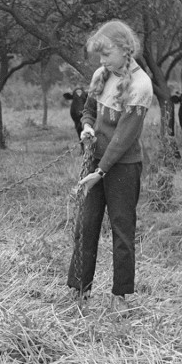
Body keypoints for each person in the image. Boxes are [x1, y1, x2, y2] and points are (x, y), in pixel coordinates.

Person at [68, 19, 152, 311]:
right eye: (99, 55)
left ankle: (120, 297)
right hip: (95, 164)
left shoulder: (141, 85)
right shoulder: (101, 76)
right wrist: (87, 128)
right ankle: (79, 290)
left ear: (125, 49)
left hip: (122, 169)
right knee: (86, 225)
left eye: (106, 54)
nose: (101, 60)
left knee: (122, 230)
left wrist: (99, 172)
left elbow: (122, 140)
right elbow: (88, 111)